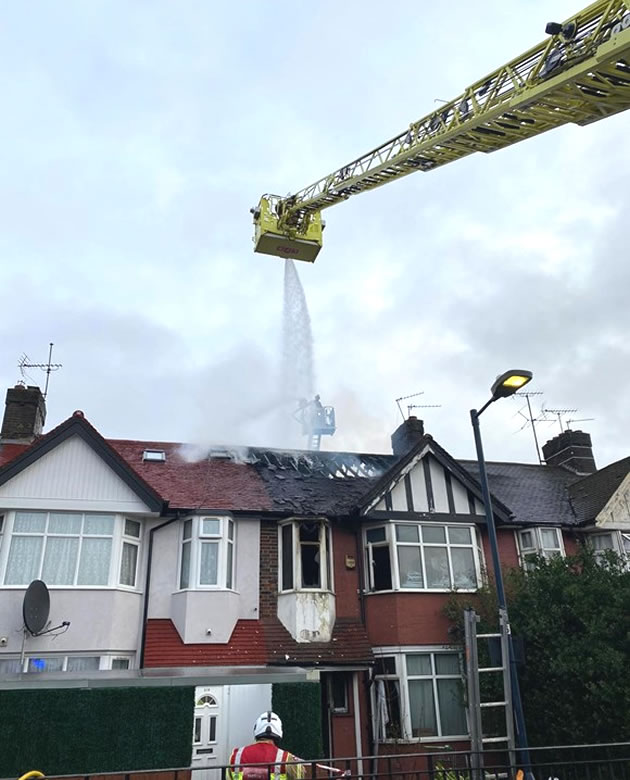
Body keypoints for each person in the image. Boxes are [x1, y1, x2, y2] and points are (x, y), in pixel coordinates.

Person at [227, 712, 305, 780]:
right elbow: (300, 775)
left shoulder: (236, 756)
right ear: (279, 732)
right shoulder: (286, 758)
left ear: (256, 730)